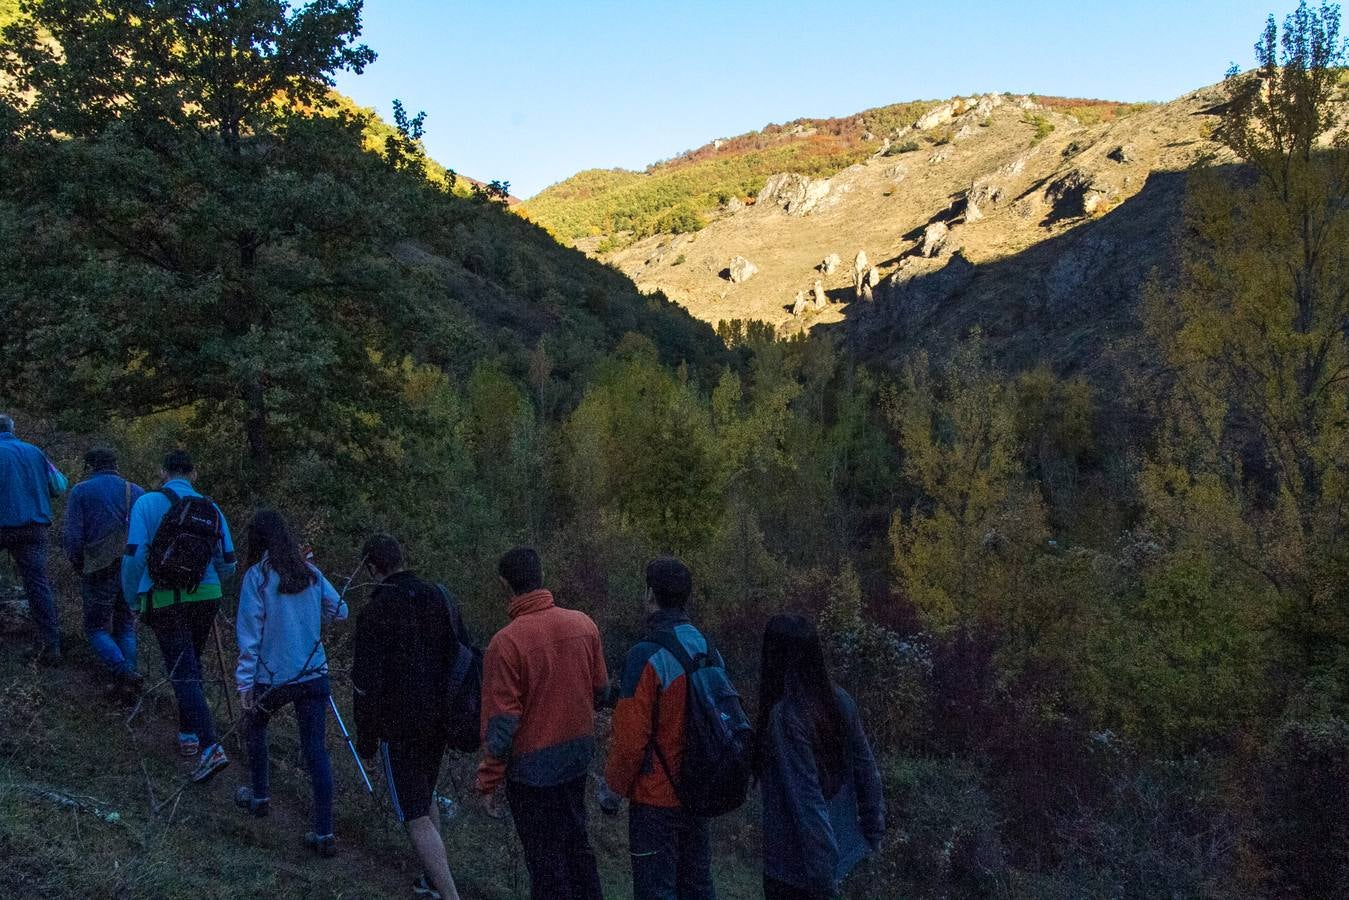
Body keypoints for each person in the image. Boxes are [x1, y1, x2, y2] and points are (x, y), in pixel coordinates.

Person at [476, 547, 608, 900]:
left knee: (545, 860)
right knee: (578, 847)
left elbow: (502, 725)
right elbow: (600, 691)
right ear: (541, 575)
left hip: (533, 768)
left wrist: (489, 780)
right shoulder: (583, 624)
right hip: (577, 757)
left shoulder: (505, 643)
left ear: (505, 584)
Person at [351, 533, 464, 900]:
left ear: (371, 567)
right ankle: (432, 881)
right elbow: (458, 654)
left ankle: (449, 893)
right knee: (424, 793)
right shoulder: (437, 596)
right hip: (440, 717)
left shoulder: (376, 610)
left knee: (414, 813)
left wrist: (366, 735)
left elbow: (365, 681)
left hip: (399, 726)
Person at [233, 509, 348, 857]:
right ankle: (324, 831)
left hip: (273, 675)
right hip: (313, 672)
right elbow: (340, 610)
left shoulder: (258, 577)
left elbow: (249, 634)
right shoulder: (309, 572)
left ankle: (259, 795)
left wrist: (244, 684)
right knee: (315, 750)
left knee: (255, 728)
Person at [604, 557, 719, 900]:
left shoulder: (646, 654)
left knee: (656, 890)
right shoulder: (707, 647)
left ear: (650, 595)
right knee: (697, 887)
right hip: (697, 790)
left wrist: (612, 792)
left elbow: (629, 741)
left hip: (656, 800)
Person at [121, 449, 236, 784]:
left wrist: (132, 597)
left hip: (164, 597)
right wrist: (204, 580)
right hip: (207, 596)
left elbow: (134, 555)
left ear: (163, 471)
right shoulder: (211, 508)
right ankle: (188, 734)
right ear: (194, 474)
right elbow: (228, 563)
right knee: (190, 664)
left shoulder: (147, 503)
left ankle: (210, 745)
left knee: (182, 670)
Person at [753, 614, 885, 900]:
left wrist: (823, 880)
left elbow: (808, 804)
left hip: (798, 874)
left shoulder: (786, 718)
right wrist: (872, 838)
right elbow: (868, 774)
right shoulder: (839, 701)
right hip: (847, 856)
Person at [63, 447, 145, 695]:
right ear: (115, 465)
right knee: (126, 626)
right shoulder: (137, 491)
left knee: (96, 627)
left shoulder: (81, 491)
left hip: (98, 567)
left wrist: (78, 563)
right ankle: (128, 684)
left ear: (90, 467)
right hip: (131, 568)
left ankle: (123, 672)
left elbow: (72, 536)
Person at [0, 413, 68, 664]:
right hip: (34, 528)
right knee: (38, 586)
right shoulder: (35, 452)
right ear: (12, 429)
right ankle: (51, 646)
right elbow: (59, 485)